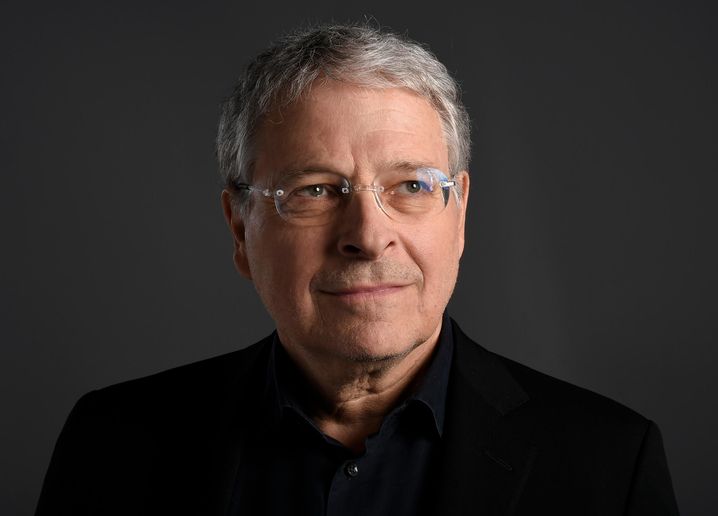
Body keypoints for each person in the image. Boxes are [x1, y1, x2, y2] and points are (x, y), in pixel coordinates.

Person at [36, 23, 679, 516]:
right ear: (240, 229)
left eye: (411, 187)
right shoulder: (111, 443)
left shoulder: (609, 464)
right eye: (316, 190)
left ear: (460, 215)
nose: (369, 238)